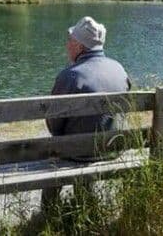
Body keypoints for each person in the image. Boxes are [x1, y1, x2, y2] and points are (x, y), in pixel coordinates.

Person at [42, 16, 131, 207]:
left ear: (80, 47)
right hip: (113, 148)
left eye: (70, 41)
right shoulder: (119, 69)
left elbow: (53, 124)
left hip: (78, 153)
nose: (67, 45)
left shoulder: (70, 75)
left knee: (59, 146)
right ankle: (86, 203)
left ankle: (47, 212)